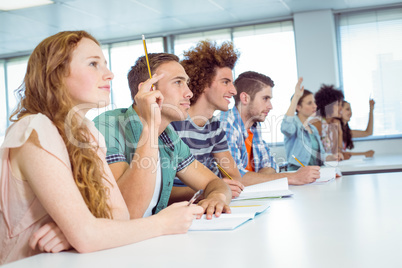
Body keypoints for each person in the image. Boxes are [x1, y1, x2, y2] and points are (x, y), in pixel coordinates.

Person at [0, 31, 203, 265]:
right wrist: (163, 223)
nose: (109, 74)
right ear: (56, 75)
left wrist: (81, 231)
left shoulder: (87, 133)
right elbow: (88, 235)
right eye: (93, 64)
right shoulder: (34, 130)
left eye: (104, 64)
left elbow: (120, 216)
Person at [93, 52, 231, 220]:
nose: (189, 93)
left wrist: (217, 197)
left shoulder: (168, 137)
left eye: (186, 83)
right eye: (178, 82)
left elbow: (214, 183)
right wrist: (150, 126)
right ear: (149, 89)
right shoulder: (108, 127)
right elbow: (127, 213)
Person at [169, 40, 244, 202]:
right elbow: (161, 191)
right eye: (226, 82)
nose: (233, 90)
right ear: (203, 83)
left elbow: (233, 176)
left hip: (209, 202)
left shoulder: (214, 125)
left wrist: (217, 189)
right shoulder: (172, 123)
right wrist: (211, 189)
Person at [219, 71, 320, 185]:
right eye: (265, 98)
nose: (270, 106)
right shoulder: (226, 124)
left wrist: (254, 179)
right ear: (245, 98)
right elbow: (236, 178)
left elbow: (271, 165)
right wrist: (292, 177)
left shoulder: (254, 126)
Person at [281, 78, 342, 170]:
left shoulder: (313, 129)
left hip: (314, 174)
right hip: (298, 175)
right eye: (309, 103)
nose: (315, 106)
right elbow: (285, 127)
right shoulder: (294, 126)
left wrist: (331, 157)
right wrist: (296, 97)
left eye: (314, 102)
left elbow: (321, 156)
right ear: (298, 107)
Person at [311, 84, 345, 160]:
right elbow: (313, 154)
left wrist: (340, 133)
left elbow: (337, 152)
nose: (341, 108)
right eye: (337, 105)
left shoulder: (332, 123)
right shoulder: (317, 124)